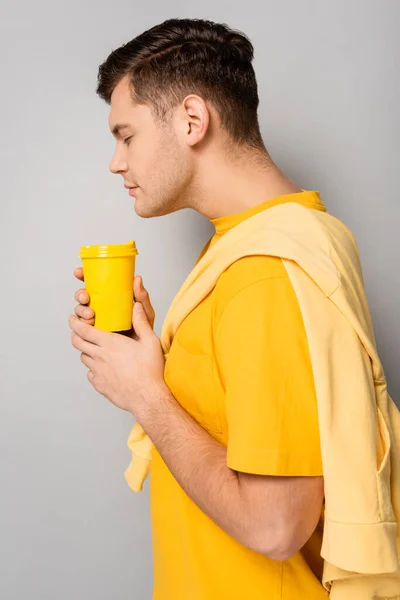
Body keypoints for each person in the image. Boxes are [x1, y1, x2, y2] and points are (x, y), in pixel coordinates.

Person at [70, 18, 329, 599]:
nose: (116, 162)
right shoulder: (253, 245)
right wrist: (153, 358)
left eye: (126, 135)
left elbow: (276, 524)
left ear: (192, 120)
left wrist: (145, 395)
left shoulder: (261, 273)